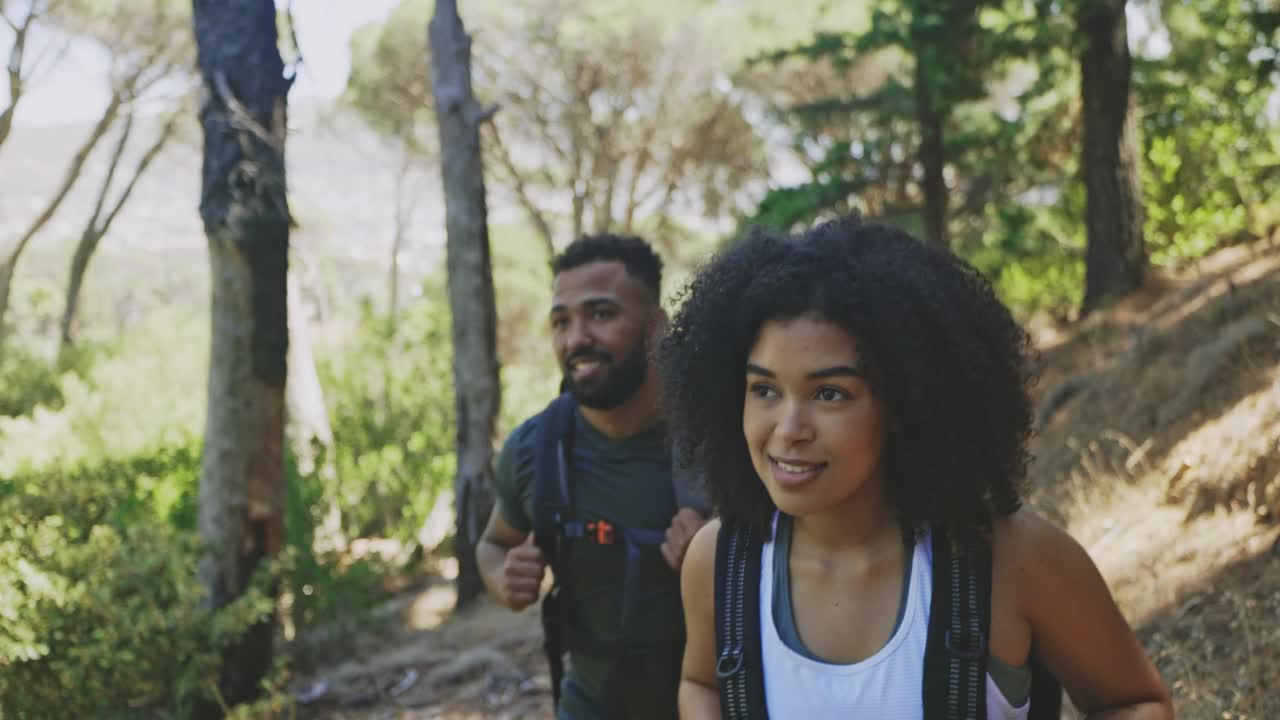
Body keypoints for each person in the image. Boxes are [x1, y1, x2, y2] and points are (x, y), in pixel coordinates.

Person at [660, 217, 1174, 719]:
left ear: (905, 405)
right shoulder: (719, 561)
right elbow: (701, 682)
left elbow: (1137, 703)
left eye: (830, 393)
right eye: (764, 389)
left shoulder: (1014, 560)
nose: (788, 427)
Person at [476, 233, 709, 720]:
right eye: (561, 321)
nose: (576, 338)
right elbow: (494, 543)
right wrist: (503, 577)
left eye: (601, 314)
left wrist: (718, 555)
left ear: (657, 326)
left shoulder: (724, 439)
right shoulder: (535, 449)